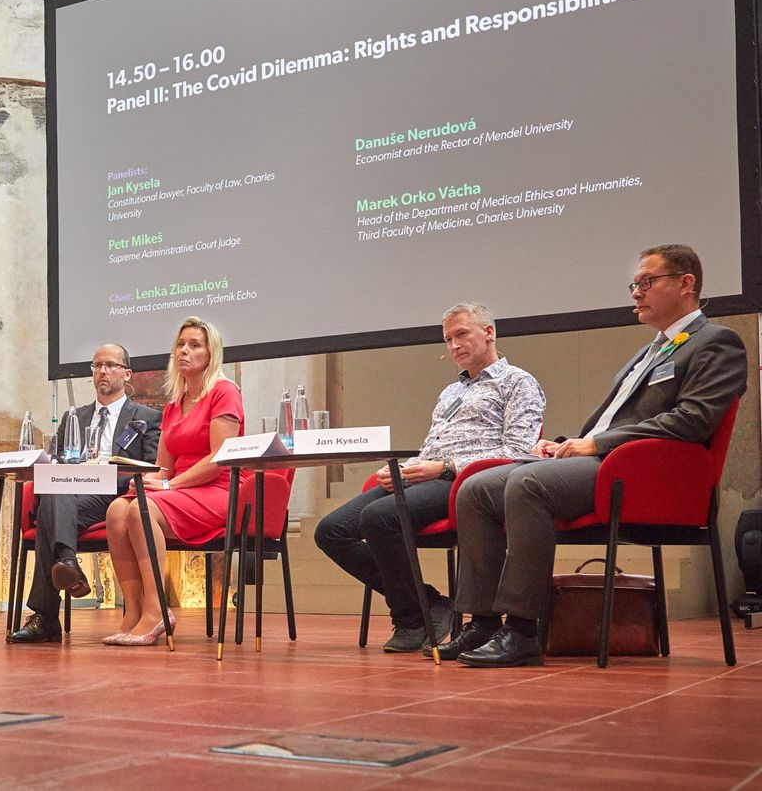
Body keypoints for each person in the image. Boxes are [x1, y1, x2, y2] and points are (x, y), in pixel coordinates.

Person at [449, 244, 747, 667]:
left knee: (528, 483)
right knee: (476, 489)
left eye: (647, 282)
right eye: (635, 284)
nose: (637, 292)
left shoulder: (716, 342)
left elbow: (692, 421)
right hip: (602, 461)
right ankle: (482, 621)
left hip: (644, 475)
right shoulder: (651, 350)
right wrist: (567, 442)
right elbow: (613, 421)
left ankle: (522, 629)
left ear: (686, 284)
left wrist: (597, 445)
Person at [313, 303, 545, 652]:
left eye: (461, 334)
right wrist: (403, 468)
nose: (454, 345)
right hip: (426, 476)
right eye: (448, 339)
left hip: (467, 483)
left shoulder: (518, 382)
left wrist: (446, 468)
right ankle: (430, 604)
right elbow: (430, 447)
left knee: (379, 517)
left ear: (489, 332)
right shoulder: (451, 392)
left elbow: (517, 451)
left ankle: (411, 618)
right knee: (331, 530)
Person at [103, 316, 244, 646]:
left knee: (141, 510)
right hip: (180, 489)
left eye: (194, 345)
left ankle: (157, 611)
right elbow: (163, 467)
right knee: (116, 510)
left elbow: (219, 458)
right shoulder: (174, 405)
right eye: (180, 344)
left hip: (218, 489)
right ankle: (133, 611)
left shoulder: (224, 392)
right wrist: (148, 482)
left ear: (211, 354)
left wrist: (169, 486)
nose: (184, 351)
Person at [8, 344, 162, 644]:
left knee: (51, 506)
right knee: (56, 485)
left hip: (115, 495)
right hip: (72, 493)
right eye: (97, 365)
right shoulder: (74, 417)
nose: (102, 371)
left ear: (127, 373)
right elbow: (58, 462)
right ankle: (67, 562)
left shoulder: (146, 417)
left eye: (111, 365)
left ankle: (45, 617)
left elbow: (151, 467)